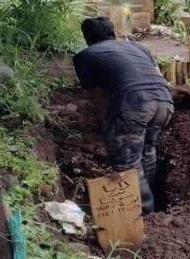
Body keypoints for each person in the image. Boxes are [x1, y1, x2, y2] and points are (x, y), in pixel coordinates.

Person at [72, 17, 173, 214]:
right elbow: (156, 75)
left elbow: (93, 92)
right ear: (113, 31)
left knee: (128, 162)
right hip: (164, 101)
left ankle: (145, 212)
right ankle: (153, 201)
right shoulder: (139, 48)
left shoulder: (85, 56)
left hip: (134, 105)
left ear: (86, 37)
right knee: (147, 149)